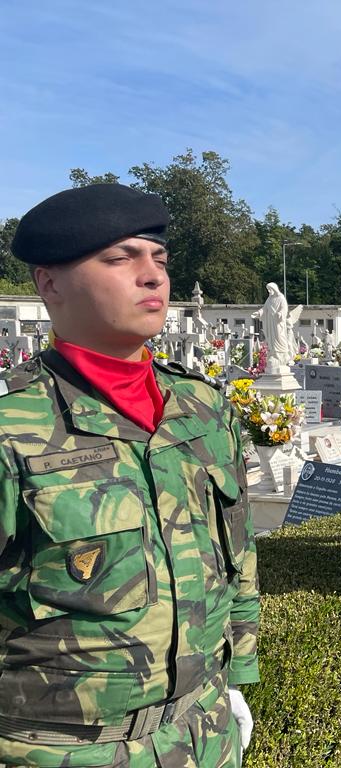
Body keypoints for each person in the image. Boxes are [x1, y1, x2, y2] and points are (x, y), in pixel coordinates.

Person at [0, 183, 259, 767]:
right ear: (50, 283)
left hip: (204, 733)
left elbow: (239, 556)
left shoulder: (202, 409)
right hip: (62, 750)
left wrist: (237, 674)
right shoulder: (12, 425)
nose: (153, 277)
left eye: (160, 260)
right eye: (121, 259)